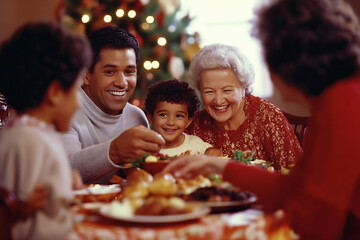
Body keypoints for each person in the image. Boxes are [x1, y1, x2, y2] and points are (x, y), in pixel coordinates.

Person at [164, 0, 360, 239]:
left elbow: (316, 225)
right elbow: (292, 188)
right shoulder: (337, 98)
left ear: (286, 61)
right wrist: (220, 166)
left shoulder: (343, 106)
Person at [0, 21, 91, 239]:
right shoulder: (31, 140)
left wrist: (61, 181)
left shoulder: (27, 134)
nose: (79, 102)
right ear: (55, 93)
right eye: (77, 89)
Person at [61, 26, 165, 184]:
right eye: (110, 72)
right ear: (86, 75)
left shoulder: (136, 117)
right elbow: (64, 169)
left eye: (129, 72)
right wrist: (115, 150)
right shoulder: (64, 113)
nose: (122, 83)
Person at [185, 43, 302, 171]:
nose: (218, 101)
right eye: (209, 91)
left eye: (227, 90)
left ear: (243, 88)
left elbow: (297, 175)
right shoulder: (195, 125)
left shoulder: (268, 118)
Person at [145, 79, 222, 157]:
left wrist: (213, 153)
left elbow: (215, 155)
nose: (171, 122)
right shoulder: (144, 148)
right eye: (163, 115)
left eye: (179, 116)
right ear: (151, 118)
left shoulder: (196, 145)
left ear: (188, 122)